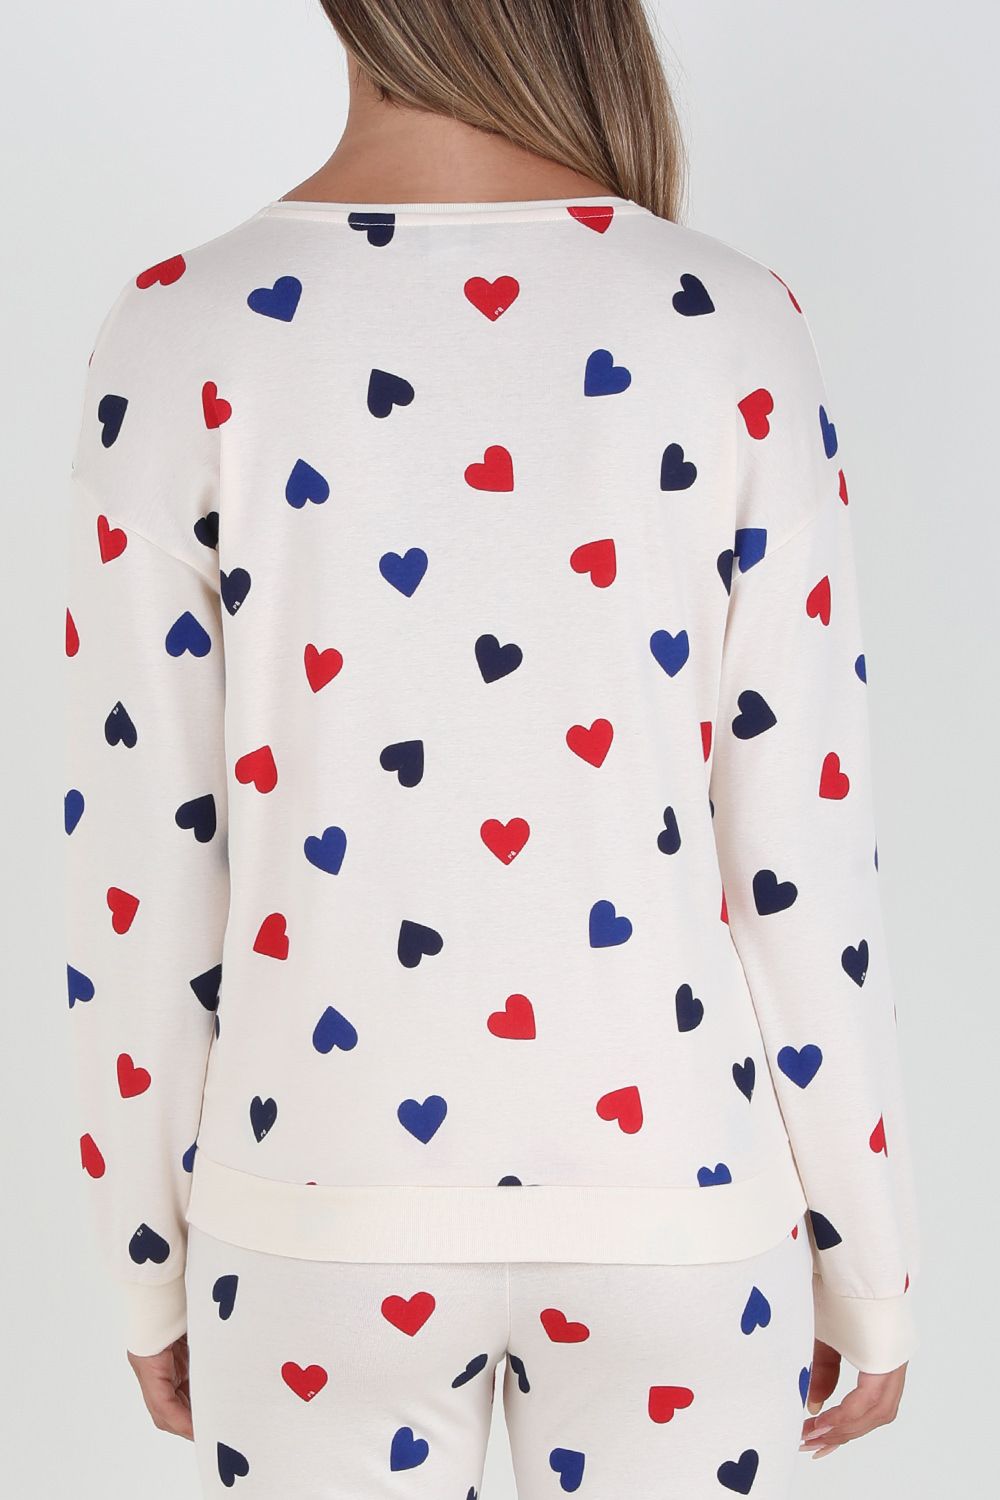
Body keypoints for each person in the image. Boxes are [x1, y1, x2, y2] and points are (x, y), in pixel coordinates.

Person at [63, 2, 920, 1494]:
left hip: (311, 1224)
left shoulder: (180, 330)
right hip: (682, 1224)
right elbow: (801, 854)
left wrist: (144, 1259)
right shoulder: (730, 326)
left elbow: (142, 866)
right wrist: (870, 1264)